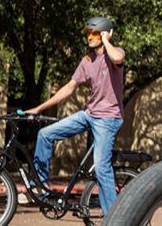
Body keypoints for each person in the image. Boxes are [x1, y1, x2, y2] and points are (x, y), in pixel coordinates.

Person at [28, 16, 125, 216]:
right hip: (89, 114)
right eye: (88, 33)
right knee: (45, 134)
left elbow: (117, 58)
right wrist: (38, 108)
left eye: (95, 33)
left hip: (108, 119)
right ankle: (41, 188)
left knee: (101, 167)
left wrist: (107, 40)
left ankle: (116, 217)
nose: (90, 37)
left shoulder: (115, 54)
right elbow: (69, 88)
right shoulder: (87, 61)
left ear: (106, 34)